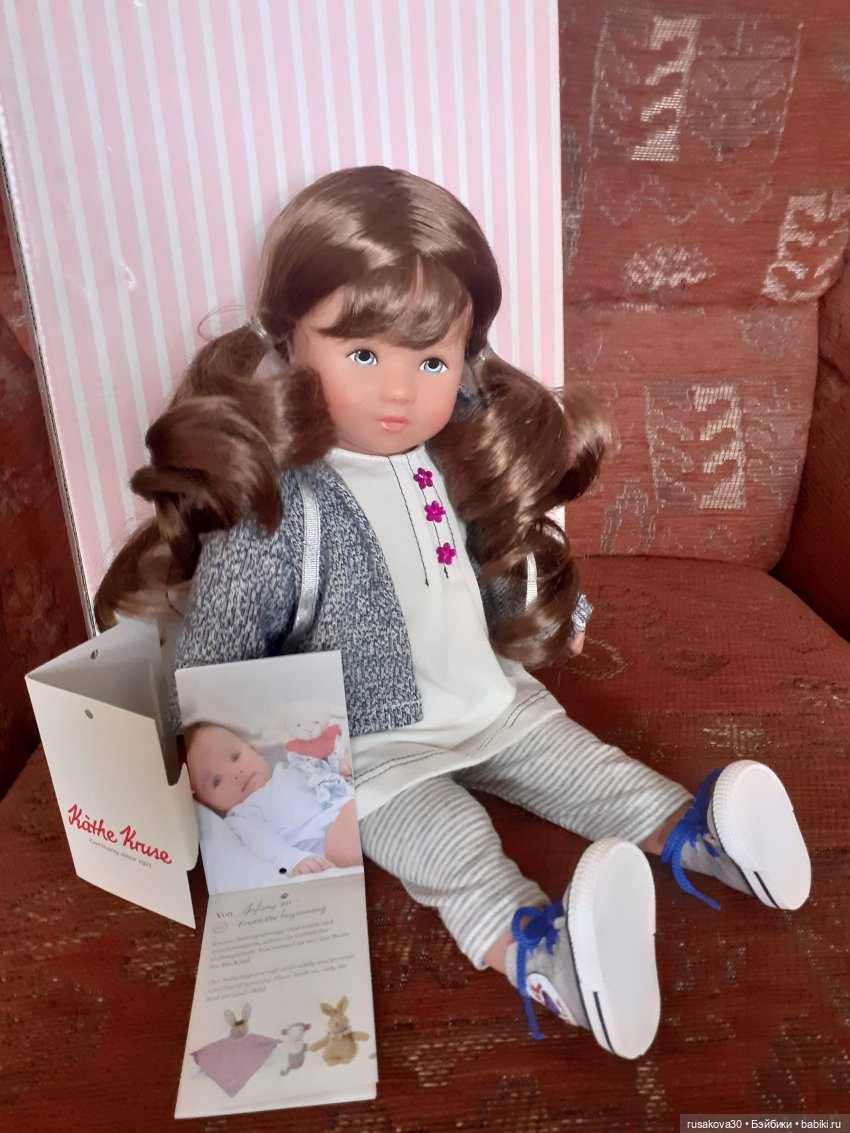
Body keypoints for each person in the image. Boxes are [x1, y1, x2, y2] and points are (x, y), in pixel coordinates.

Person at [96, 166, 811, 1060]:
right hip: (373, 751)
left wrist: (549, 610)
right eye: (363, 355)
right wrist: (200, 731)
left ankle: (707, 840)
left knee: (591, 768)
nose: (400, 393)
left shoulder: (453, 457)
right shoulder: (280, 508)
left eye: (430, 361)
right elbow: (216, 646)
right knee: (452, 841)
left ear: (465, 356)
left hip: (490, 699)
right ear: (287, 340)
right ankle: (552, 960)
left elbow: (490, 562)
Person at [185, 723, 361, 877]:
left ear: (254, 750)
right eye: (216, 781)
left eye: (235, 757)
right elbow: (265, 846)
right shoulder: (242, 816)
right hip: (331, 842)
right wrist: (294, 860)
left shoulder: (293, 766)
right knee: (347, 831)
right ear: (209, 806)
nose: (235, 774)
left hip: (348, 807)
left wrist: (341, 766)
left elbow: (324, 772)